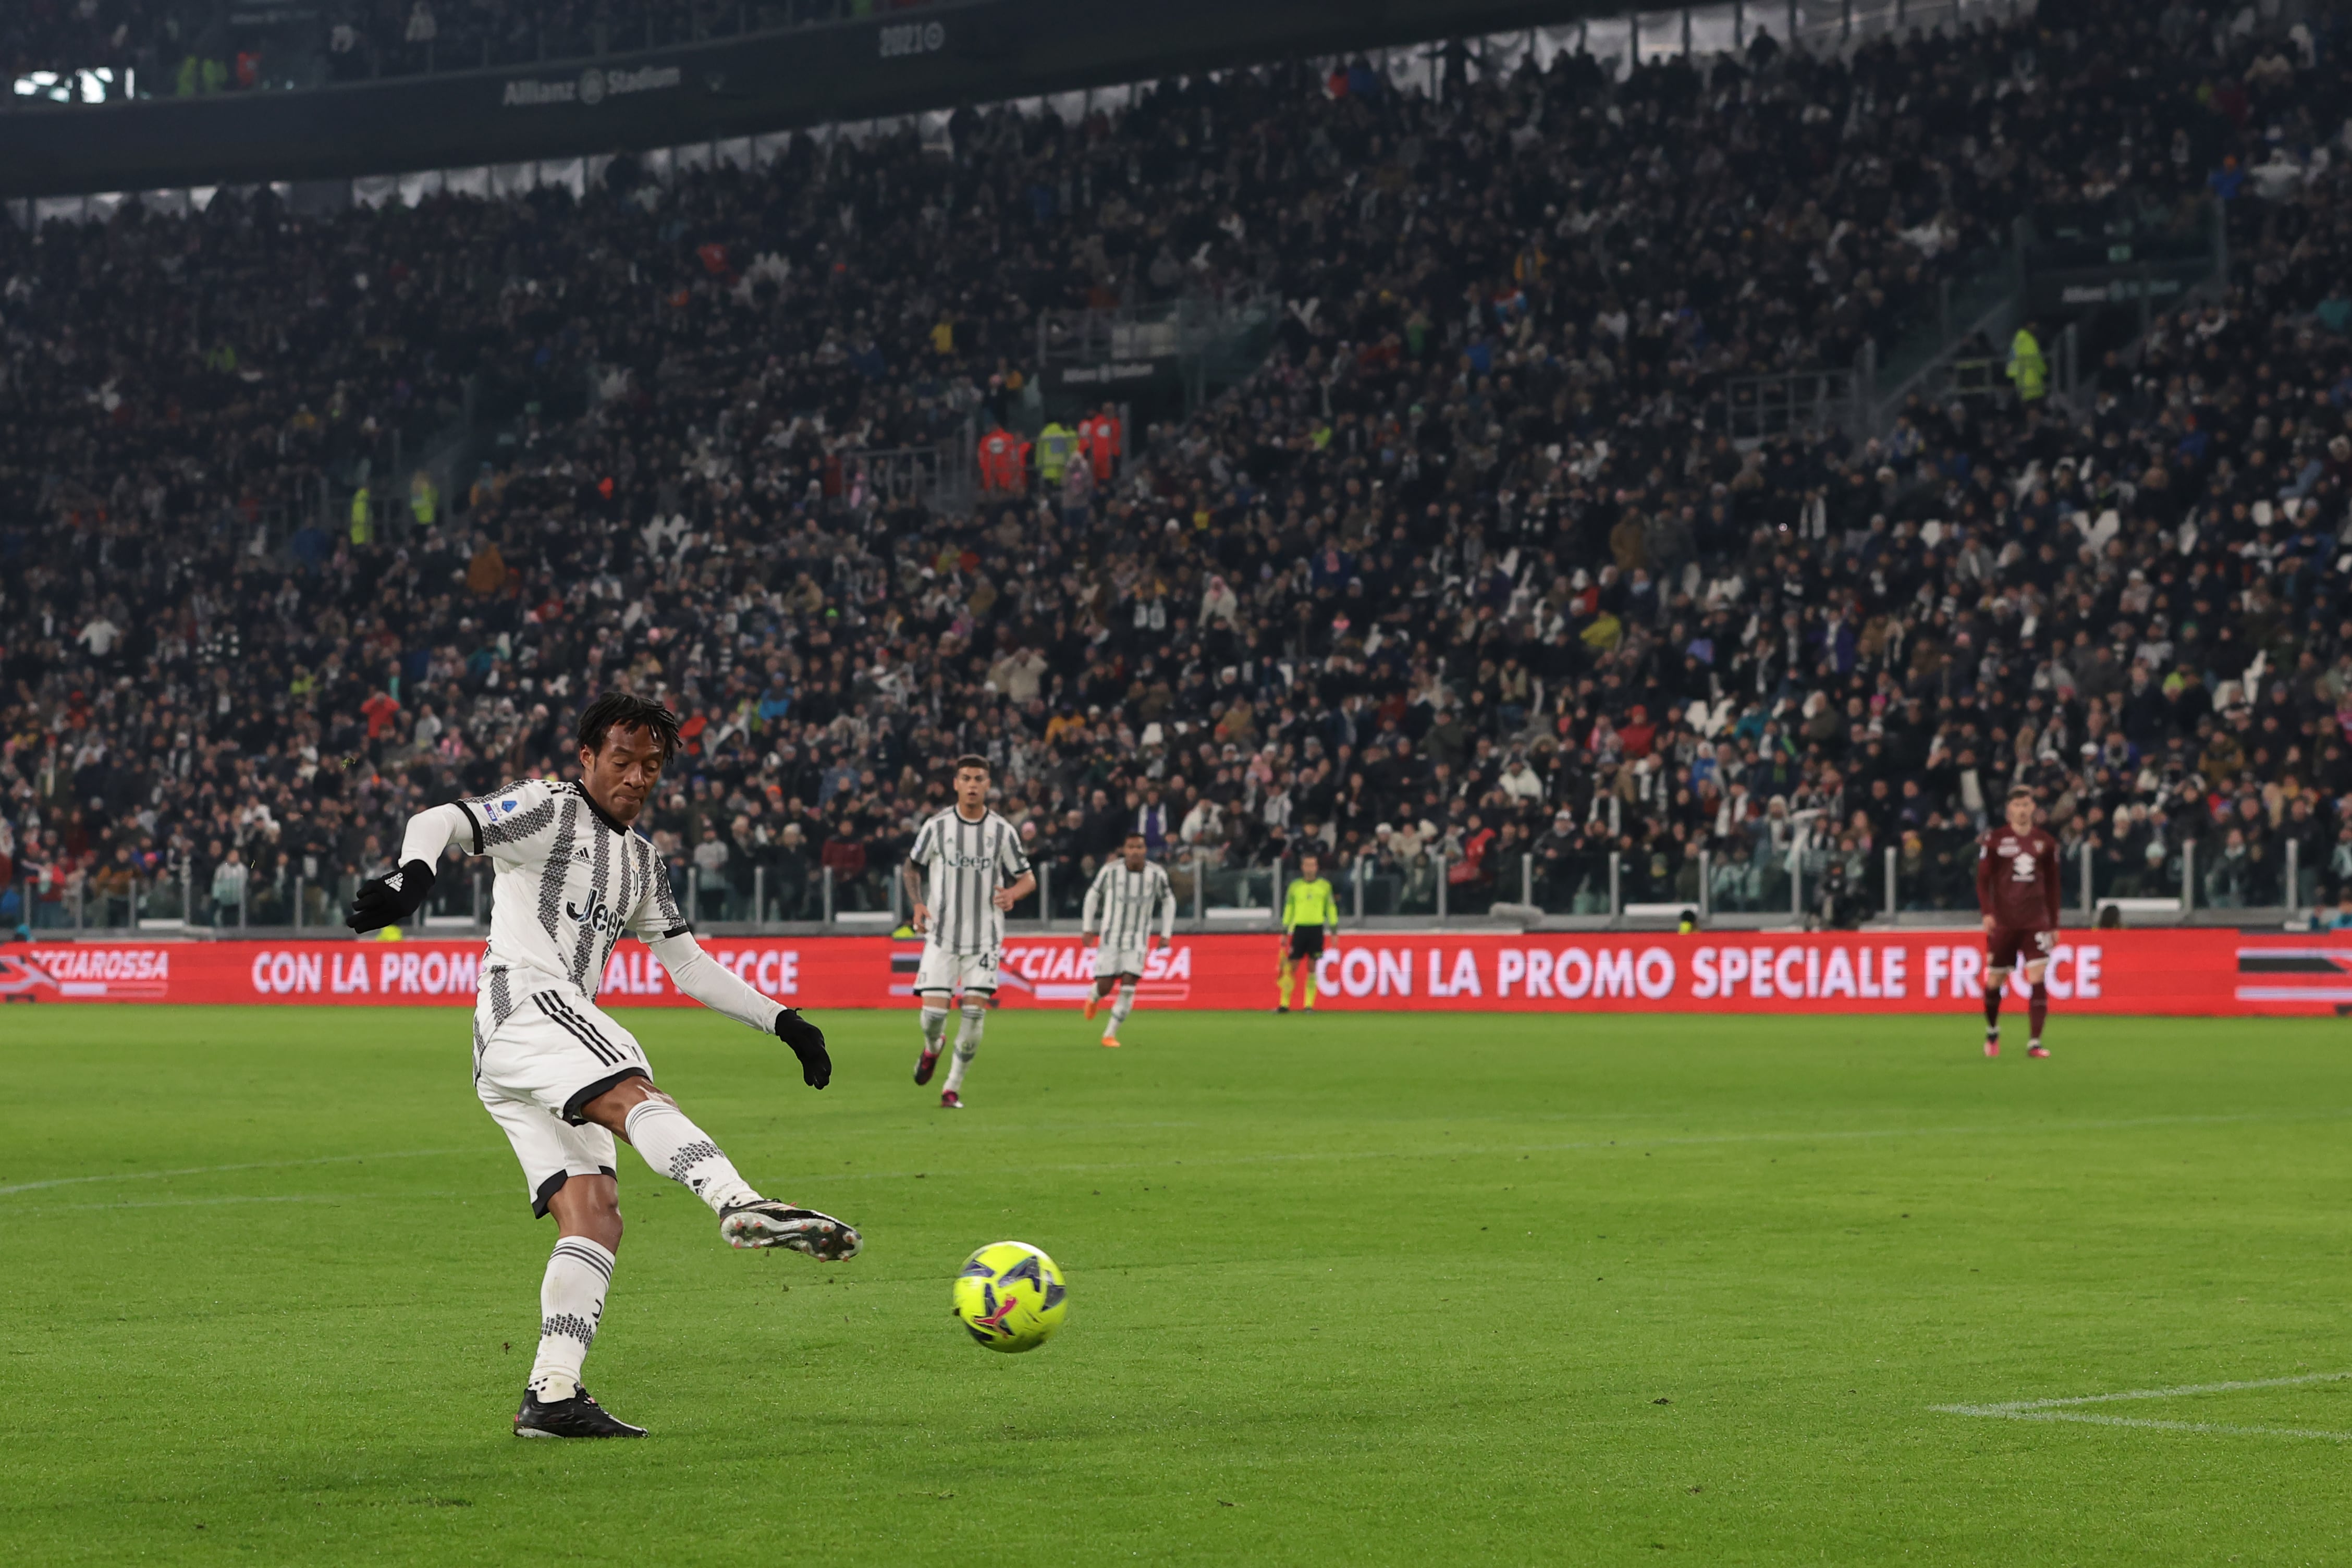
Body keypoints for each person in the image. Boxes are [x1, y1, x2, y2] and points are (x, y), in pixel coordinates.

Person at [346, 691, 854, 1440]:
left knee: (594, 1214)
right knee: (630, 1086)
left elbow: (688, 965)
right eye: (622, 759)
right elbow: (445, 820)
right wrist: (412, 874)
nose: (637, 776)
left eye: (651, 765)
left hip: (526, 1054)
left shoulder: (643, 863)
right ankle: (737, 1200)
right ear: (587, 758)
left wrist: (784, 1021)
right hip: (526, 1004)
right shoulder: (550, 809)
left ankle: (552, 1395)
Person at [903, 754, 1035, 1108]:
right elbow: (912, 868)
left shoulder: (1003, 831)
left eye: (979, 778)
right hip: (942, 935)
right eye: (966, 778)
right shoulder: (937, 826)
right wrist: (917, 903)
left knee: (975, 1013)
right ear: (956, 784)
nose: (973, 785)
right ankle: (934, 1047)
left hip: (985, 939)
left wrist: (1012, 893)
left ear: (988, 784)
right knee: (932, 1018)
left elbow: (1027, 878)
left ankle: (952, 1087)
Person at [1976, 784, 2062, 1059]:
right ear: (2008, 810)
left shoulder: (2045, 843)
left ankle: (2034, 1043)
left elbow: (2053, 884)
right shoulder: (1995, 840)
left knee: (2037, 976)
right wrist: (1988, 912)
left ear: (2033, 808)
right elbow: (1983, 880)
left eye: (2026, 805)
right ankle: (1992, 1032)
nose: (2022, 811)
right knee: (1995, 981)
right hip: (2004, 921)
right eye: (2017, 806)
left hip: (2035, 920)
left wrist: (2054, 923)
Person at [1080, 830, 1176, 1049]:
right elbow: (1093, 896)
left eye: (1139, 847)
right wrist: (1087, 928)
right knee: (1105, 986)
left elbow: (1169, 901)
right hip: (1111, 938)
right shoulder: (1110, 871)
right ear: (1124, 850)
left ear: (1145, 850)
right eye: (1131, 847)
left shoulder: (1156, 874)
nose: (1135, 852)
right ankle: (1094, 996)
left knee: (1129, 984)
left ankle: (1109, 1035)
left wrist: (1166, 934)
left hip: (1138, 940)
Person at [1277, 850, 1339, 1013]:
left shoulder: (1325, 886)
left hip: (1317, 929)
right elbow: (1289, 909)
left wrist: (1334, 932)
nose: (1310, 868)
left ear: (1317, 867)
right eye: (1307, 865)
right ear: (1303, 867)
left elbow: (1331, 909)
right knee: (1292, 966)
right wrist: (1285, 932)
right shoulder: (1295, 886)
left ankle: (1309, 1005)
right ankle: (1284, 1004)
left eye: (1313, 865)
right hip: (1299, 929)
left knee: (1313, 966)